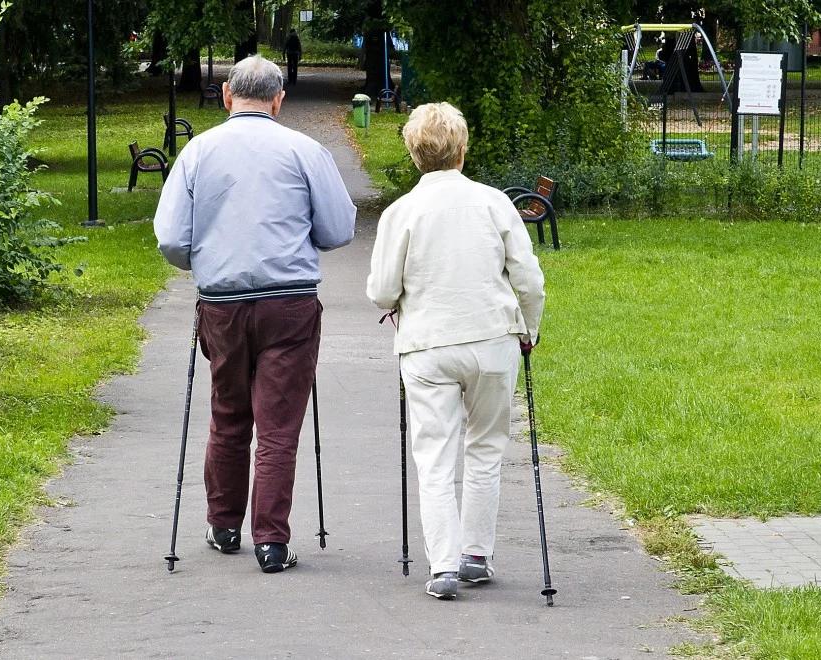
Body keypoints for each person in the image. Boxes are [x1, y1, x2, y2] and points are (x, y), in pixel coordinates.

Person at [154, 54, 357, 574]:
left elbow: (172, 239)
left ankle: (223, 526)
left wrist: (205, 259)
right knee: (278, 425)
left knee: (228, 415)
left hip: (222, 305)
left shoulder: (197, 153)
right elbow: (337, 230)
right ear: (278, 99)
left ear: (226, 95)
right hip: (288, 304)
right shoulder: (305, 151)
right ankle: (271, 540)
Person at [365, 102, 545, 600]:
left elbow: (381, 291)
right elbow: (528, 280)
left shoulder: (401, 212)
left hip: (427, 346)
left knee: (434, 454)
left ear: (413, 153)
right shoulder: (494, 204)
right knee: (486, 448)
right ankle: (476, 555)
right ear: (462, 149)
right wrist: (529, 329)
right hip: (492, 340)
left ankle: (442, 565)